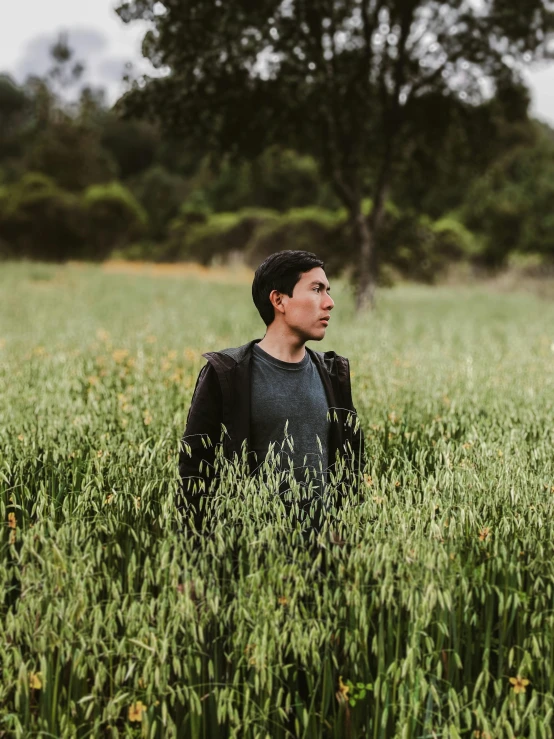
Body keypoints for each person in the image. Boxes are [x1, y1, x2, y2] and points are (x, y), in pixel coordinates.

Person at [178, 250, 365, 533]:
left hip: (322, 557)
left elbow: (351, 465)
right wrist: (190, 559)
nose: (329, 303)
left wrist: (346, 532)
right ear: (279, 300)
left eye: (328, 291)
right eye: (316, 289)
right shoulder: (227, 373)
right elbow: (194, 471)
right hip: (248, 554)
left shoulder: (332, 374)